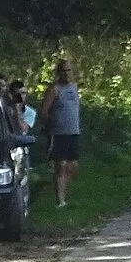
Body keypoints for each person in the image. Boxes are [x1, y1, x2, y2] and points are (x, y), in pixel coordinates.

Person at [38, 59, 82, 208]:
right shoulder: (54, 89)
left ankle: (65, 194)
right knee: (61, 165)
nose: (66, 73)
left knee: (72, 166)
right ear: (58, 73)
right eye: (63, 70)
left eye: (69, 70)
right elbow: (43, 112)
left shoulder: (75, 88)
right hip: (59, 133)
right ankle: (60, 201)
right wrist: (50, 126)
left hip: (73, 131)